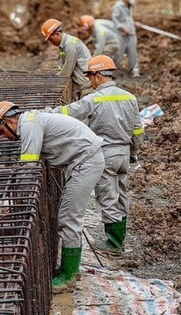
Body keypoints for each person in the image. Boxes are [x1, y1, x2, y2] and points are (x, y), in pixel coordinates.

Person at [0, 101, 104, 290]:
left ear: (8, 122)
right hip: (83, 162)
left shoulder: (28, 125)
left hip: (86, 163)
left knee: (69, 217)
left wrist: (11, 201)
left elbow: (28, 169)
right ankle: (68, 269)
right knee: (68, 215)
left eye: (2, 132)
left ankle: (68, 276)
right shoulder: (31, 121)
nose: (5, 138)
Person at [45, 56, 142, 254]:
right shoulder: (130, 98)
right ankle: (120, 238)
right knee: (121, 194)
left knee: (108, 197)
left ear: (98, 76)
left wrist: (45, 114)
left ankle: (114, 244)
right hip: (124, 154)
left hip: (106, 153)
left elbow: (68, 113)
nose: (89, 81)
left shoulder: (94, 99)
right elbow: (138, 131)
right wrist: (133, 153)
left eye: (90, 76)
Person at [41, 18, 91, 102]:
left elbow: (67, 68)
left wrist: (57, 86)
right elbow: (61, 66)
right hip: (80, 85)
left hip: (85, 85)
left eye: (51, 39)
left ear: (57, 34)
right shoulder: (63, 45)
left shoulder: (70, 45)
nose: (51, 42)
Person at [112, 0, 140, 77]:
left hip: (131, 32)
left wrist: (134, 23)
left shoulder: (130, 6)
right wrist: (122, 27)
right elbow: (115, 20)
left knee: (133, 52)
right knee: (119, 52)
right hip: (121, 34)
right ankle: (111, 70)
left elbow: (128, 18)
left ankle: (134, 69)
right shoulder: (118, 6)